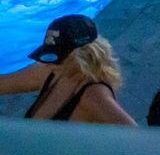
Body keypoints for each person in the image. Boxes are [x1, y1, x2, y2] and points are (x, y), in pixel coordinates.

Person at [0, 16, 136, 124]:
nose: (49, 64)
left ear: (82, 57)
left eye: (58, 58)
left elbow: (137, 141)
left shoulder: (93, 96)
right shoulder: (51, 71)